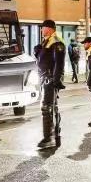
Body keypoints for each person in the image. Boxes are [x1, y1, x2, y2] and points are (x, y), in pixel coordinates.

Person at [33, 20, 66, 149]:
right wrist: (38, 52)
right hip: (45, 77)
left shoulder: (56, 41)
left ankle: (49, 138)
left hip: (50, 79)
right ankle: (55, 136)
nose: (42, 30)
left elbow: (59, 63)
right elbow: (45, 58)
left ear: (50, 28)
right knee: (51, 107)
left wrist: (56, 80)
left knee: (47, 108)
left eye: (43, 28)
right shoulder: (47, 40)